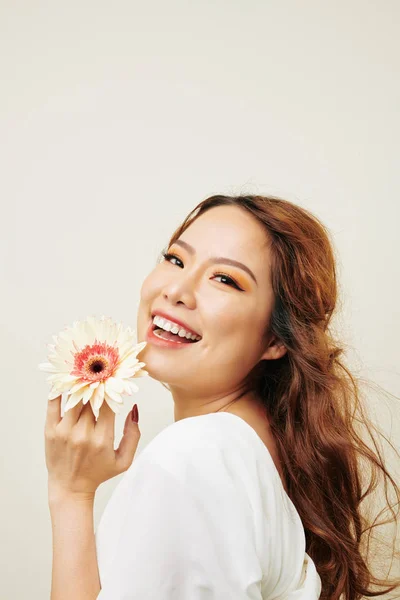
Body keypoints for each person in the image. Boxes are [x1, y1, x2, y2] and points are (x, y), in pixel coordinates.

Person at [95, 194, 400, 599]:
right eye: (175, 259)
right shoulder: (261, 451)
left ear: (276, 337)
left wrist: (67, 496)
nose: (177, 291)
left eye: (225, 279)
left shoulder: (193, 456)